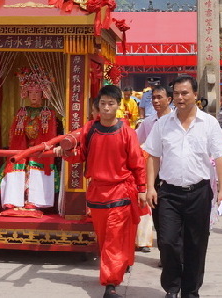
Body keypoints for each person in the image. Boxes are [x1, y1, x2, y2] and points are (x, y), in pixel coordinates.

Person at [143, 74, 222, 298]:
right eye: (176, 94)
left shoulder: (209, 123)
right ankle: (172, 288)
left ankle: (191, 291)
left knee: (196, 244)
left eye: (185, 93)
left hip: (199, 193)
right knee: (168, 242)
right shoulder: (163, 124)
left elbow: (220, 157)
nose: (180, 98)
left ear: (195, 95)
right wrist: (150, 188)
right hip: (169, 193)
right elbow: (152, 156)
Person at [62, 84, 146, 298]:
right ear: (97, 106)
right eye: (103, 103)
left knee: (114, 240)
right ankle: (120, 265)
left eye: (111, 103)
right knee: (104, 238)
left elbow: (137, 163)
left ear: (119, 106)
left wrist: (142, 189)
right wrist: (66, 151)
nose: (106, 107)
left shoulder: (127, 133)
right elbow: (80, 155)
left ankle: (111, 284)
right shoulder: (90, 129)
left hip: (120, 192)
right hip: (97, 193)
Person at [0, 68, 58, 216]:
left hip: (39, 148)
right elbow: (14, 133)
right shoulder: (21, 111)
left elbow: (50, 134)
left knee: (37, 168)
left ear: (43, 94)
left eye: (37, 93)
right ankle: (15, 198)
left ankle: (34, 200)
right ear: (26, 94)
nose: (34, 96)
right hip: (23, 147)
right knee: (17, 165)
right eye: (31, 93)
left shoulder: (48, 113)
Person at [135, 84, 172, 254]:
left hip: (173, 175)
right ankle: (166, 255)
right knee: (158, 215)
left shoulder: (177, 120)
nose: (156, 101)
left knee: (171, 218)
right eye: (153, 98)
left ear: (169, 100)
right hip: (155, 176)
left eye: (159, 97)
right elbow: (134, 142)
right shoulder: (148, 122)